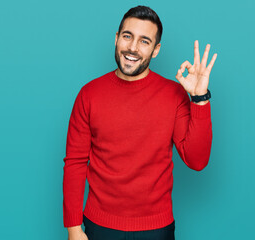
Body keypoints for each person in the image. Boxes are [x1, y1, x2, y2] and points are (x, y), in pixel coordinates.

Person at [63, 5, 217, 240]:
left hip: (157, 229)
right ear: (116, 39)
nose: (133, 48)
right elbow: (75, 162)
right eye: (127, 36)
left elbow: (197, 161)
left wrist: (199, 99)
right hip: (98, 226)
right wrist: (73, 228)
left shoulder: (173, 94)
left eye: (144, 41)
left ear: (155, 50)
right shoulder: (89, 94)